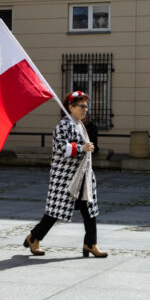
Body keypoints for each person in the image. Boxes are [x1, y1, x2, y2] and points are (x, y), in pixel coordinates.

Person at [24, 91, 108, 258]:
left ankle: (90, 243)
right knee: (54, 212)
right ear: (70, 107)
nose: (85, 110)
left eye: (86, 106)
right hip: (65, 178)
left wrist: (88, 148)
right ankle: (34, 237)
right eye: (82, 106)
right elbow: (61, 148)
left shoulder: (79, 124)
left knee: (89, 210)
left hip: (82, 177)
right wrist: (81, 148)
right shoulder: (64, 125)